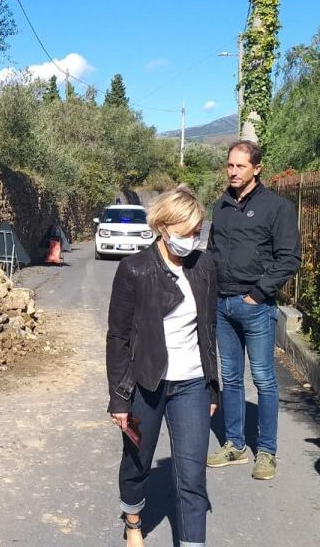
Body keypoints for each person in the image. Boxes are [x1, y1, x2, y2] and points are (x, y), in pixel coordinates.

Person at [107, 185, 221, 547]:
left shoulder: (204, 267)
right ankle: (133, 522)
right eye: (185, 233)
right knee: (137, 463)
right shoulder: (134, 269)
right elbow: (118, 338)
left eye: (197, 232)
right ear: (163, 227)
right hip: (146, 384)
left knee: (192, 477)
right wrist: (120, 399)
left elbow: (208, 330)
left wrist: (212, 386)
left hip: (192, 384)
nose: (192, 240)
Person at [205, 140, 299, 480]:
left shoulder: (277, 207)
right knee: (230, 378)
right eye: (230, 165)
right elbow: (212, 250)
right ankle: (235, 444)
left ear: (257, 169)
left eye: (240, 166)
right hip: (223, 304)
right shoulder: (221, 206)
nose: (233, 172)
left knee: (263, 379)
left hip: (255, 306)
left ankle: (267, 452)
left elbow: (289, 258)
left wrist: (258, 294)